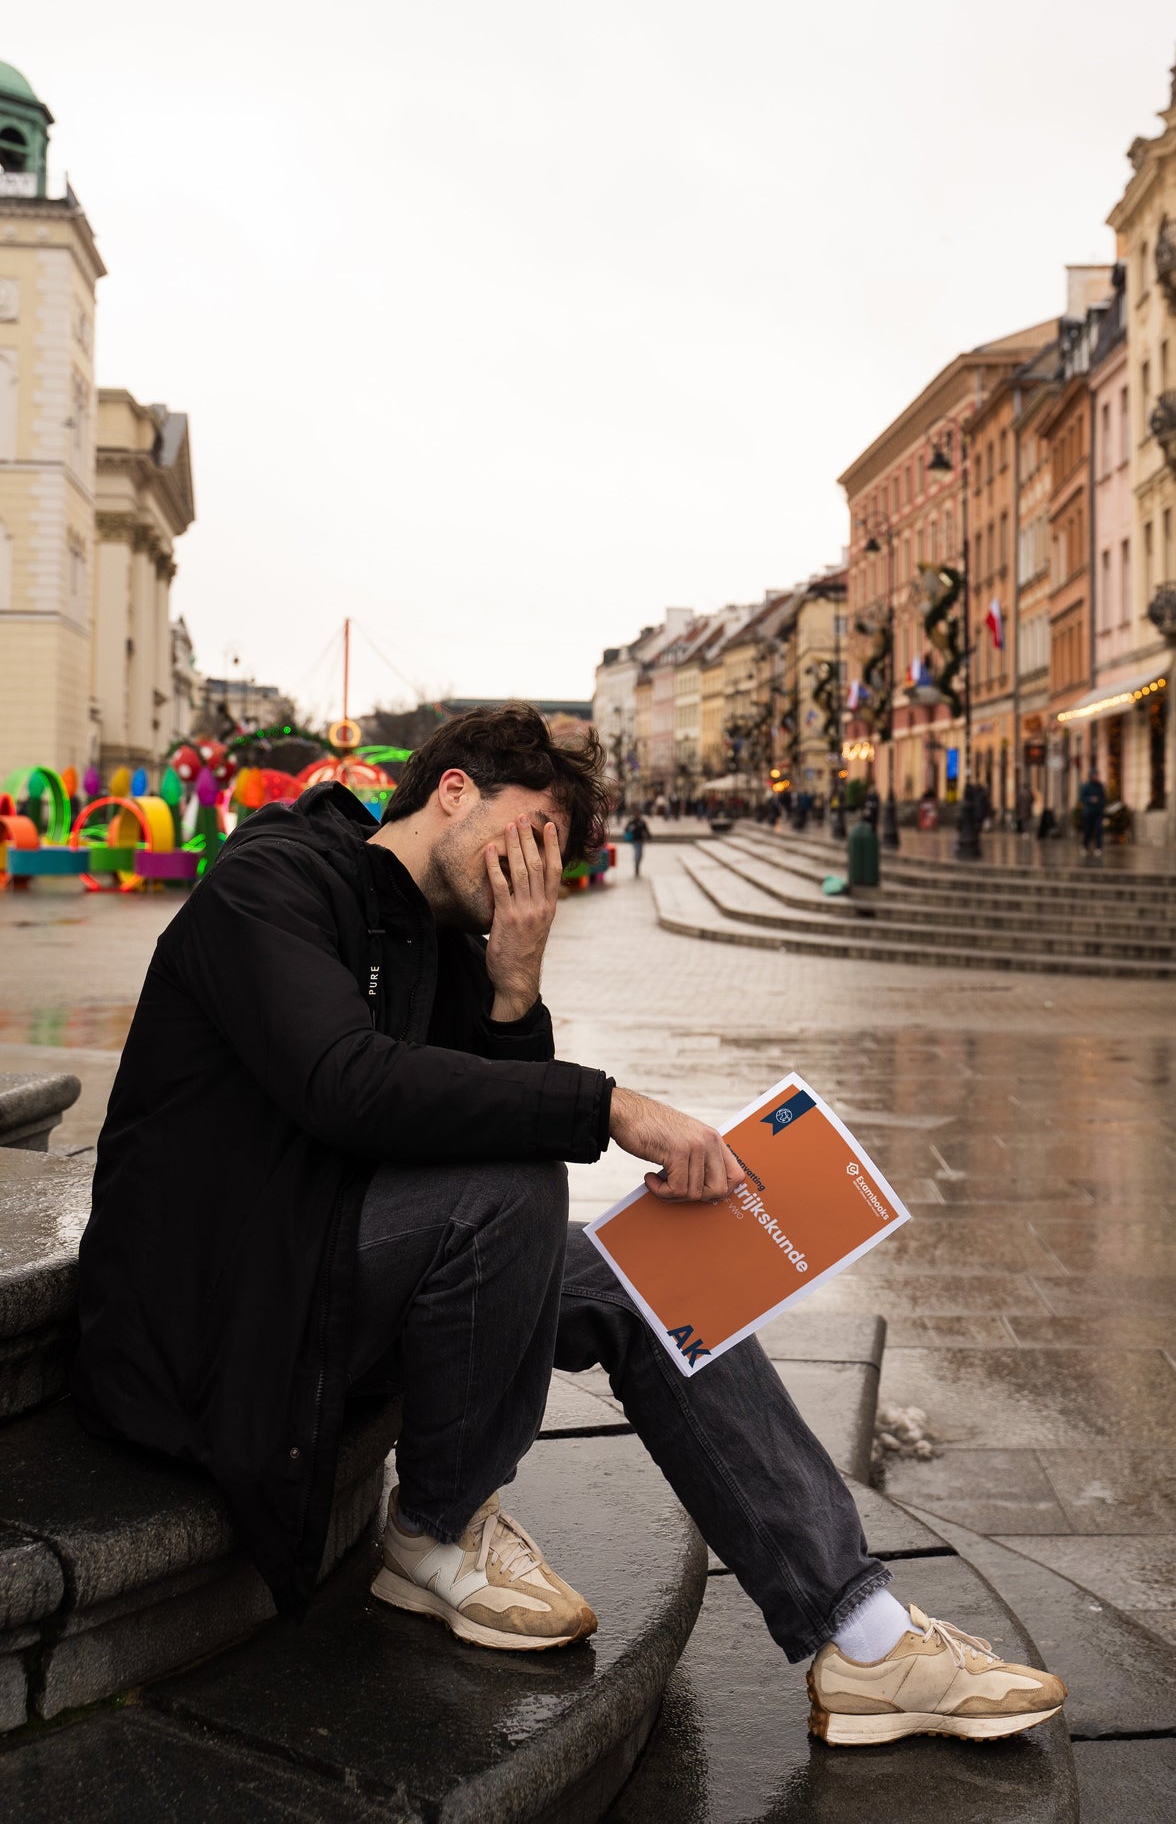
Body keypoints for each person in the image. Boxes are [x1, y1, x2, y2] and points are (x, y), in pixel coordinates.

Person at [71, 708, 1062, 1745]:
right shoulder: (270, 884)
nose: (534, 871)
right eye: (529, 833)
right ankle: (436, 1530)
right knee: (518, 1186)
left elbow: (465, 1125)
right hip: (217, 1312)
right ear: (452, 790)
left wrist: (514, 990)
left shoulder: (448, 938)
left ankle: (863, 1636)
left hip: (333, 1268)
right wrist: (610, 1106)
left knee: (653, 1277)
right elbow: (345, 1087)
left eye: (554, 852)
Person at [1079, 768, 1107, 859]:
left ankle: (1098, 847)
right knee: (1088, 830)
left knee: (1099, 830)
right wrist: (1090, 799)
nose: (1096, 777)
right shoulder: (1086, 786)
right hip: (1089, 812)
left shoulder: (1100, 786)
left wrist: (1101, 804)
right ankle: (1084, 846)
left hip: (1098, 812)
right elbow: (1082, 798)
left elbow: (1103, 797)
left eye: (1096, 775)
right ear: (1091, 776)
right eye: (1094, 775)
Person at [622, 808, 651, 876]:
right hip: (634, 840)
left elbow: (646, 830)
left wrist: (649, 837)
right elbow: (626, 829)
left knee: (640, 854)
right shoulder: (631, 821)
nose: (636, 814)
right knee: (637, 853)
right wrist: (630, 829)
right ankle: (636, 866)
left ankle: (637, 864)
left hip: (641, 840)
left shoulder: (642, 822)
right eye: (635, 813)